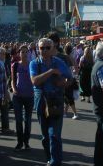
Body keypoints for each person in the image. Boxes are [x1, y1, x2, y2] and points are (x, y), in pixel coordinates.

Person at [30, 38, 72, 166]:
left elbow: (70, 78)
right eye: (42, 48)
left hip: (55, 98)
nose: (44, 50)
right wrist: (51, 72)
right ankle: (49, 158)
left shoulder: (59, 62)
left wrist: (63, 83)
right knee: (45, 135)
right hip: (41, 99)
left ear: (53, 48)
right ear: (38, 49)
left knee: (54, 134)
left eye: (48, 48)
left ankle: (55, 161)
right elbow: (35, 81)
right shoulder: (34, 63)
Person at [11, 45, 34, 151]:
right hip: (18, 96)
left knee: (28, 120)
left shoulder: (32, 65)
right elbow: (12, 80)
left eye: (26, 52)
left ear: (29, 53)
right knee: (19, 120)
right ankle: (19, 142)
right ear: (19, 53)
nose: (24, 54)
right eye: (22, 52)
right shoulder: (15, 65)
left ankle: (26, 142)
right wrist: (14, 89)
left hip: (29, 96)